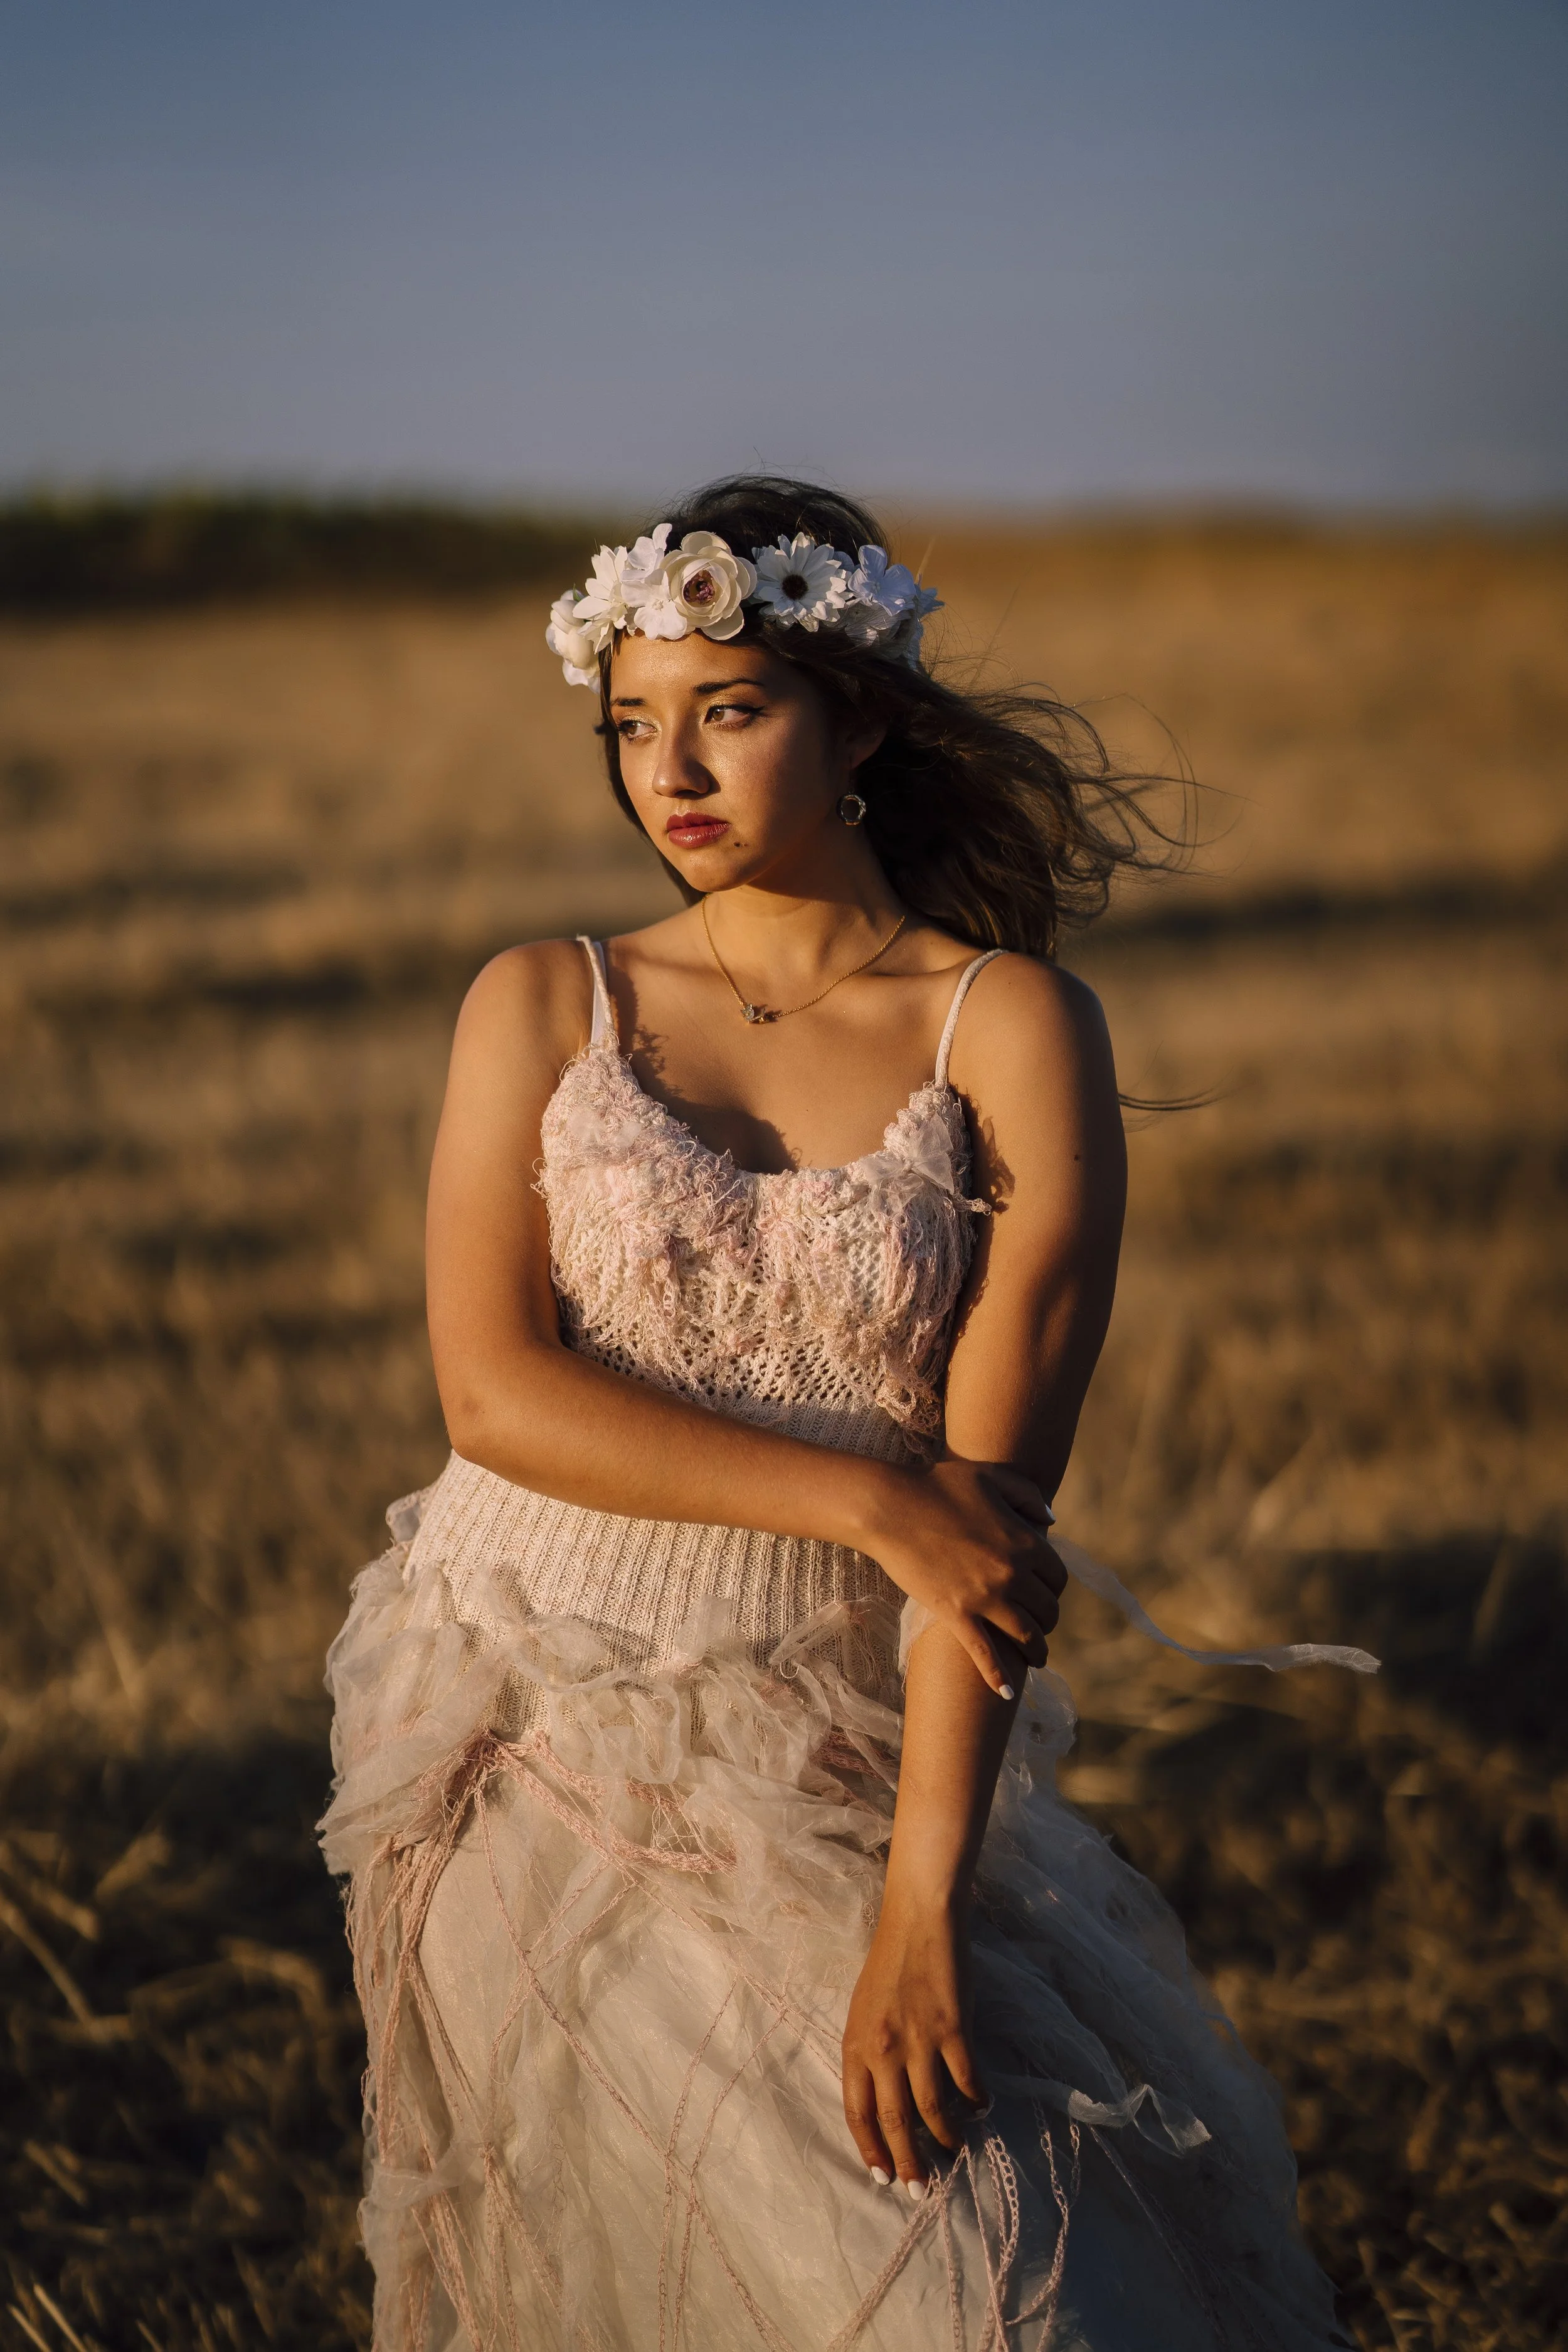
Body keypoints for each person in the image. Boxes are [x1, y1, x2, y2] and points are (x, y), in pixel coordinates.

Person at [319, 476, 1374, 2350]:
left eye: (727, 709)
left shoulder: (1012, 1031)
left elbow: (988, 1525)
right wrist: (873, 1507)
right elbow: (494, 1396)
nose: (671, 771)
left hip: (833, 1740)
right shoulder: (544, 999)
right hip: (527, 1710)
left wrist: (917, 1912)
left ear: (863, 713)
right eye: (631, 723)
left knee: (974, 2288)